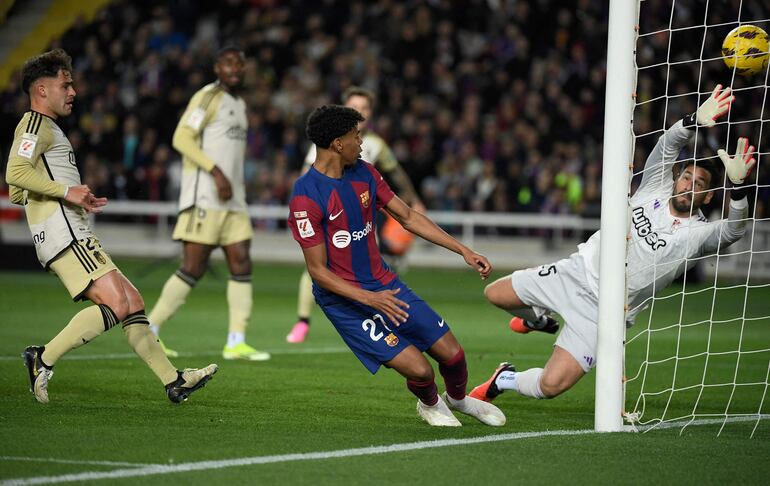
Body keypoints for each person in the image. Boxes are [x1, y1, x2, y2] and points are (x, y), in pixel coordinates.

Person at [470, 85, 755, 403]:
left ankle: (504, 379)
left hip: (605, 311)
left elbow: (733, 231)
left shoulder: (699, 234)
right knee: (494, 294)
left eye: (699, 183)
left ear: (708, 196)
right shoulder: (653, 188)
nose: (689, 184)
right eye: (687, 177)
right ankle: (538, 319)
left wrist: (740, 189)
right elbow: (667, 145)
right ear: (676, 178)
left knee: (551, 386)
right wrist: (693, 121)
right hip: (576, 273)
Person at [5, 49, 217, 404]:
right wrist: (65, 192)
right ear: (41, 90)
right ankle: (42, 358)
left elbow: (17, 191)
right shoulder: (34, 125)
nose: (72, 92)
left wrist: (72, 197)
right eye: (65, 84)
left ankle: (173, 380)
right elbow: (14, 173)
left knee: (132, 300)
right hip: (65, 234)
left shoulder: (45, 129)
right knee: (118, 302)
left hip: (73, 229)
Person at [288, 104, 505, 427]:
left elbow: (407, 217)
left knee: (454, 354)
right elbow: (318, 272)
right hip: (345, 301)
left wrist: (462, 250)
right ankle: (430, 404)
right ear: (337, 143)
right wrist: (370, 299)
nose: (361, 142)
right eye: (356, 135)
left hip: (384, 283)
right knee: (421, 370)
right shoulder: (306, 196)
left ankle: (458, 400)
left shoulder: (365, 172)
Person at [147, 46, 269, 361]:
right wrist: (216, 173)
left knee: (242, 263)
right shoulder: (207, 97)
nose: (235, 69)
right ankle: (150, 331)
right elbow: (181, 138)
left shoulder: (240, 104)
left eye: (240, 64)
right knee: (193, 267)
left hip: (235, 201)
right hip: (205, 196)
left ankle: (236, 341)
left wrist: (236, 183)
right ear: (217, 67)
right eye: (229, 63)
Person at [286, 86, 424, 344]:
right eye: (355, 106)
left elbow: (395, 172)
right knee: (318, 268)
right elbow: (308, 175)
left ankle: (380, 320)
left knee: (374, 267)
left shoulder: (376, 144)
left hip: (364, 218)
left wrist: (413, 198)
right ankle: (303, 321)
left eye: (365, 107)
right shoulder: (329, 140)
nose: (360, 111)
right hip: (332, 220)